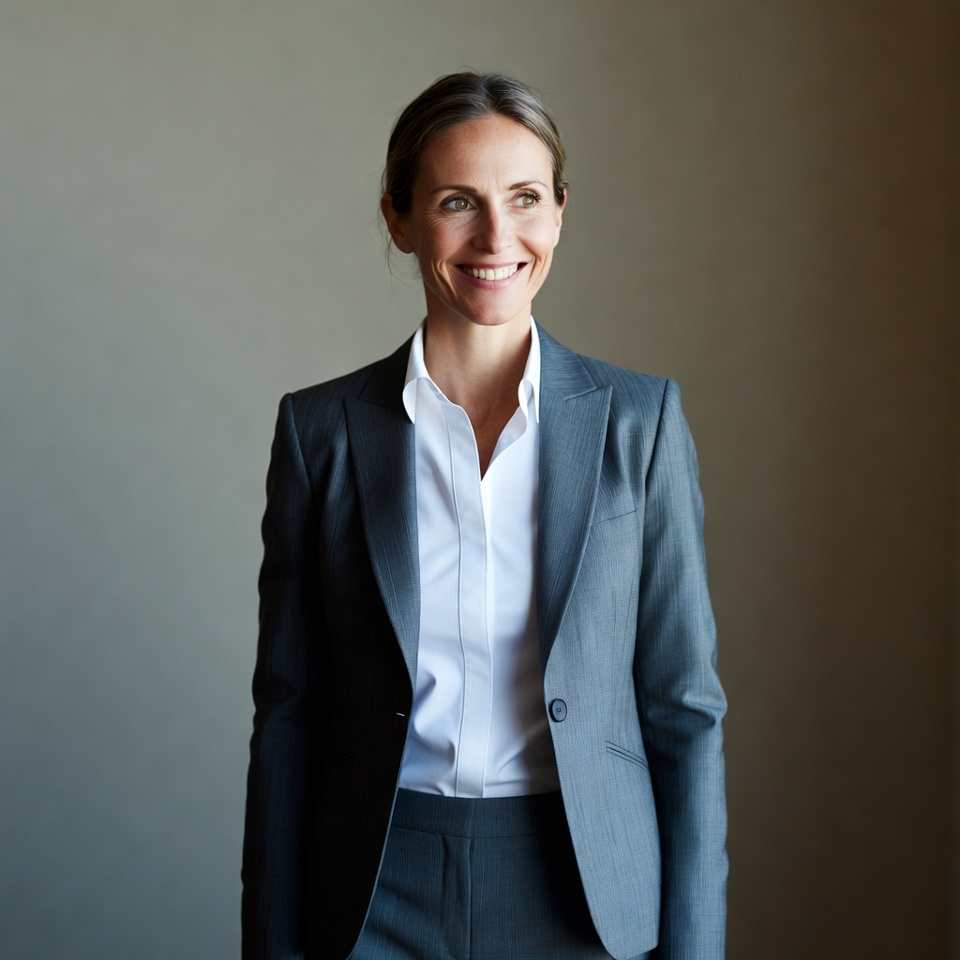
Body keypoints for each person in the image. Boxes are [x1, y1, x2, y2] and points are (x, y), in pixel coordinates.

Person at [242, 71, 727, 960]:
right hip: (370, 889)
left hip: (586, 887)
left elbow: (684, 709)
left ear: (560, 212)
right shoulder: (322, 433)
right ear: (398, 217)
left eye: (526, 199)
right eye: (458, 201)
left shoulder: (640, 424)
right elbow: (291, 712)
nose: (497, 237)